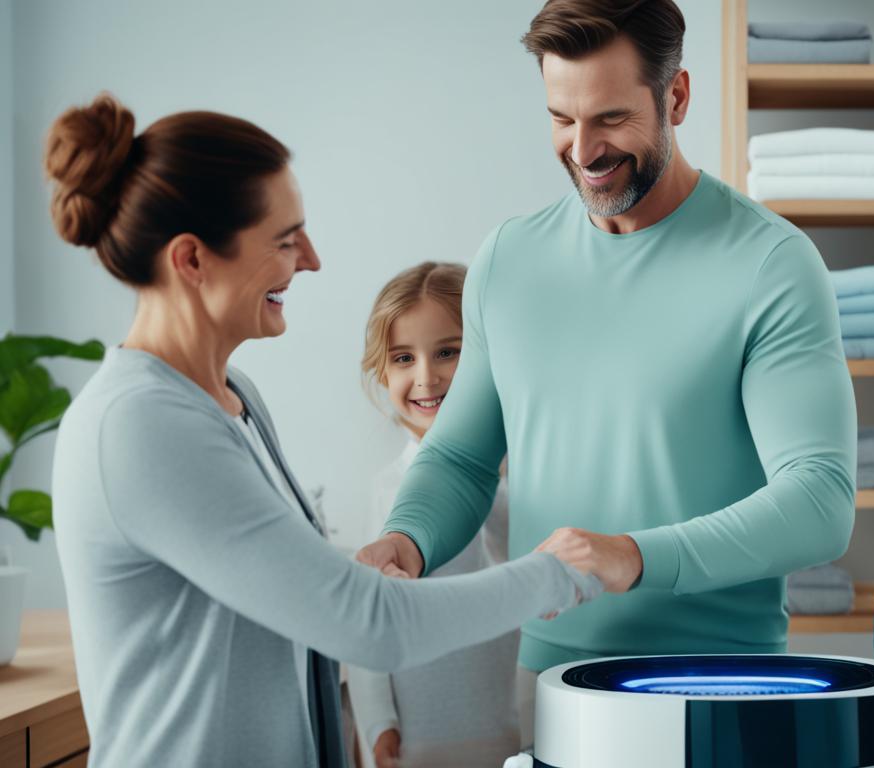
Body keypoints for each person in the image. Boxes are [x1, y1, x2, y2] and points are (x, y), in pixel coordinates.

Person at [47, 94, 600, 768]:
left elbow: (301, 602)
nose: (310, 259)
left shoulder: (232, 398)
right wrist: (557, 574)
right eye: (285, 239)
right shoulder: (139, 426)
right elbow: (369, 625)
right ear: (192, 260)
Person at [356, 0, 856, 742]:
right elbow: (460, 457)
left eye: (611, 119)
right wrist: (407, 540)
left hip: (718, 682)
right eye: (562, 118)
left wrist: (634, 556)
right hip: (554, 680)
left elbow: (820, 501)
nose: (582, 149)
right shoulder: (508, 259)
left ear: (676, 96)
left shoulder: (771, 265)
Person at [348, 262, 519, 768]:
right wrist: (379, 725)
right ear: (382, 371)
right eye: (404, 357)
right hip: (422, 730)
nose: (427, 377)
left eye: (449, 351)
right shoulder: (387, 492)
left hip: (516, 718)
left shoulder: (525, 477)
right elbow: (366, 621)